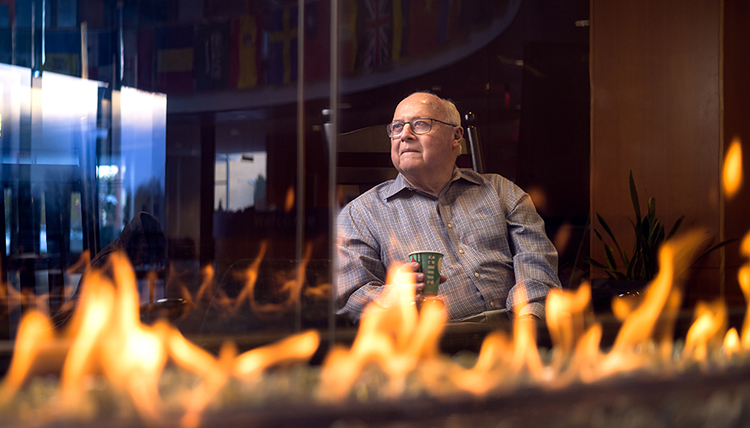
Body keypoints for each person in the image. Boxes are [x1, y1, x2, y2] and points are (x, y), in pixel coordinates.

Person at [336, 91, 561, 323]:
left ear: (456, 136)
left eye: (420, 124)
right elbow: (350, 299)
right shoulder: (360, 215)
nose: (404, 135)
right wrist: (397, 295)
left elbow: (537, 267)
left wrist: (527, 323)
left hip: (517, 332)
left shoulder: (502, 192)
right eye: (397, 127)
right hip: (433, 344)